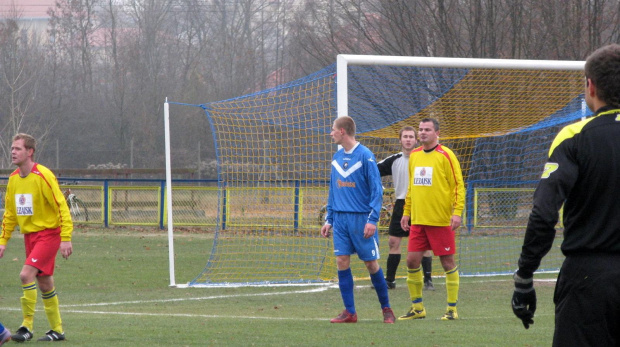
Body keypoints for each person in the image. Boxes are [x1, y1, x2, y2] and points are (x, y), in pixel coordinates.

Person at [512, 44, 620, 346]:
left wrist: (524, 276)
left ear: (590, 86)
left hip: (589, 280)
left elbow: (544, 213)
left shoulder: (573, 137)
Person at [320, 116, 396, 324]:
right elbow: (333, 191)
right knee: (341, 261)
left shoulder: (365, 156)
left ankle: (386, 309)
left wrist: (373, 219)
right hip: (341, 221)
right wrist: (329, 219)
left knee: (371, 264)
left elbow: (377, 191)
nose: (331, 132)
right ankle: (350, 312)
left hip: (362, 219)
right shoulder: (336, 158)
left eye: (333, 129)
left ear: (343, 131)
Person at [0, 133, 73, 342]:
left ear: (30, 152)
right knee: (45, 283)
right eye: (12, 148)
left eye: (18, 148)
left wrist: (66, 237)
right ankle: (57, 330)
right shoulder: (14, 179)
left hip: (49, 234)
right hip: (30, 237)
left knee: (25, 275)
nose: (13, 152)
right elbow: (10, 214)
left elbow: (61, 206)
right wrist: (3, 241)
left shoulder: (43, 175)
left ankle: (26, 327)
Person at [398, 118, 465, 321]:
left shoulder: (446, 155)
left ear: (437, 133)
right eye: (420, 129)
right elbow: (411, 187)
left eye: (427, 129)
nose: (422, 133)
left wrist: (457, 212)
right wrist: (407, 212)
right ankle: (418, 308)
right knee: (411, 260)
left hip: (440, 220)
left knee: (447, 262)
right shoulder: (415, 155)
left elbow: (458, 185)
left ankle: (452, 309)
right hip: (418, 220)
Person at [377, 126, 434, 290]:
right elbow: (372, 170)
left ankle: (428, 280)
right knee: (393, 241)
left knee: (423, 244)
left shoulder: (425, 158)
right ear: (400, 140)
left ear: (416, 140)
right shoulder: (394, 160)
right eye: (405, 137)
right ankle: (390, 281)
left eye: (411, 136)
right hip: (401, 204)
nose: (408, 139)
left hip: (421, 204)